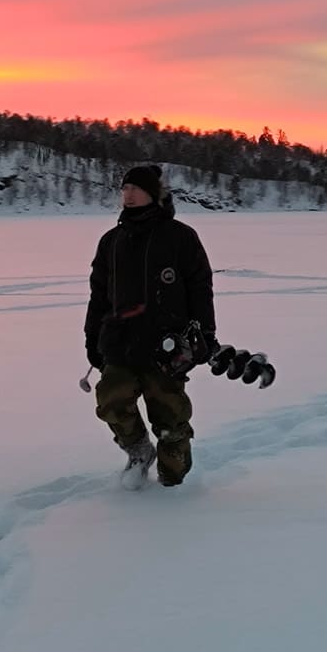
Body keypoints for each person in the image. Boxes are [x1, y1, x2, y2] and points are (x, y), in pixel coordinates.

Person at [84, 164, 218, 487]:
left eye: (135, 189)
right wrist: (92, 339)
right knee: (111, 402)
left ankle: (174, 484)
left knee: (170, 420)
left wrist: (205, 333)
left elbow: (200, 286)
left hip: (167, 346)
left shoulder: (180, 238)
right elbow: (99, 295)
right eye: (124, 189)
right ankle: (139, 451)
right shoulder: (111, 241)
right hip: (120, 342)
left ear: (153, 194)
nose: (127, 195)